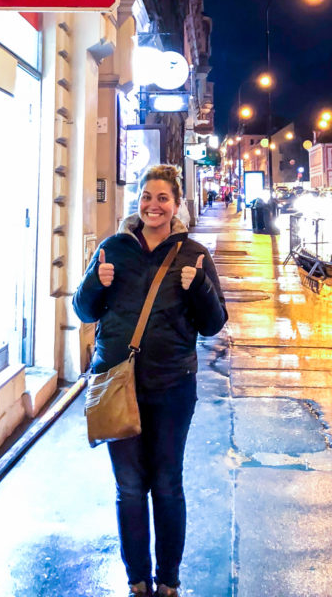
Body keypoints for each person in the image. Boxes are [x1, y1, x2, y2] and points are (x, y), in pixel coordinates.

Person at [73, 165, 228, 597]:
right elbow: (84, 311)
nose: (153, 205)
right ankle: (137, 580)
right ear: (137, 202)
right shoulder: (113, 250)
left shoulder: (193, 254)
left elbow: (214, 324)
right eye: (146, 196)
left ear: (176, 205)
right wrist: (93, 282)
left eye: (162, 198)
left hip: (172, 387)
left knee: (166, 483)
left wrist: (199, 288)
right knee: (128, 487)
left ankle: (169, 581)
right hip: (117, 384)